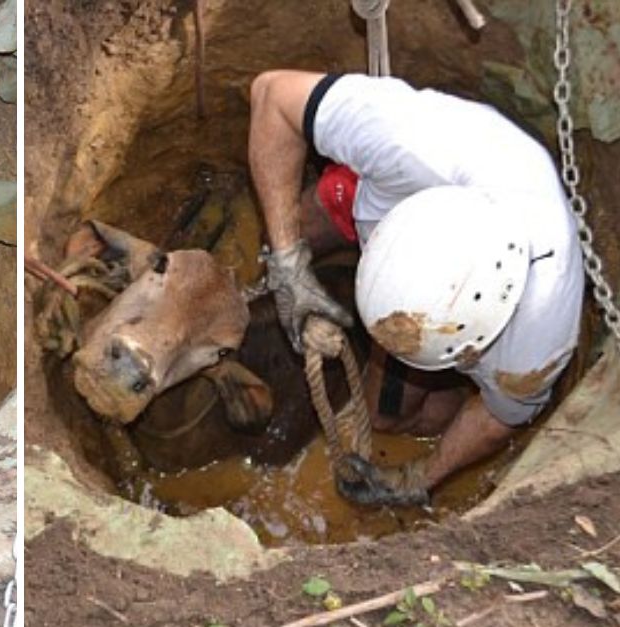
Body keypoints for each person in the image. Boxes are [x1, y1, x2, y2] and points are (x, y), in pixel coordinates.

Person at [247, 70, 584, 506]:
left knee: (390, 420)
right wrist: (288, 266)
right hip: (384, 186)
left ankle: (437, 392)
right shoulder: (409, 146)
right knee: (282, 228)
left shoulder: (534, 346)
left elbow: (497, 417)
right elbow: (272, 94)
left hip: (485, 280)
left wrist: (419, 477)